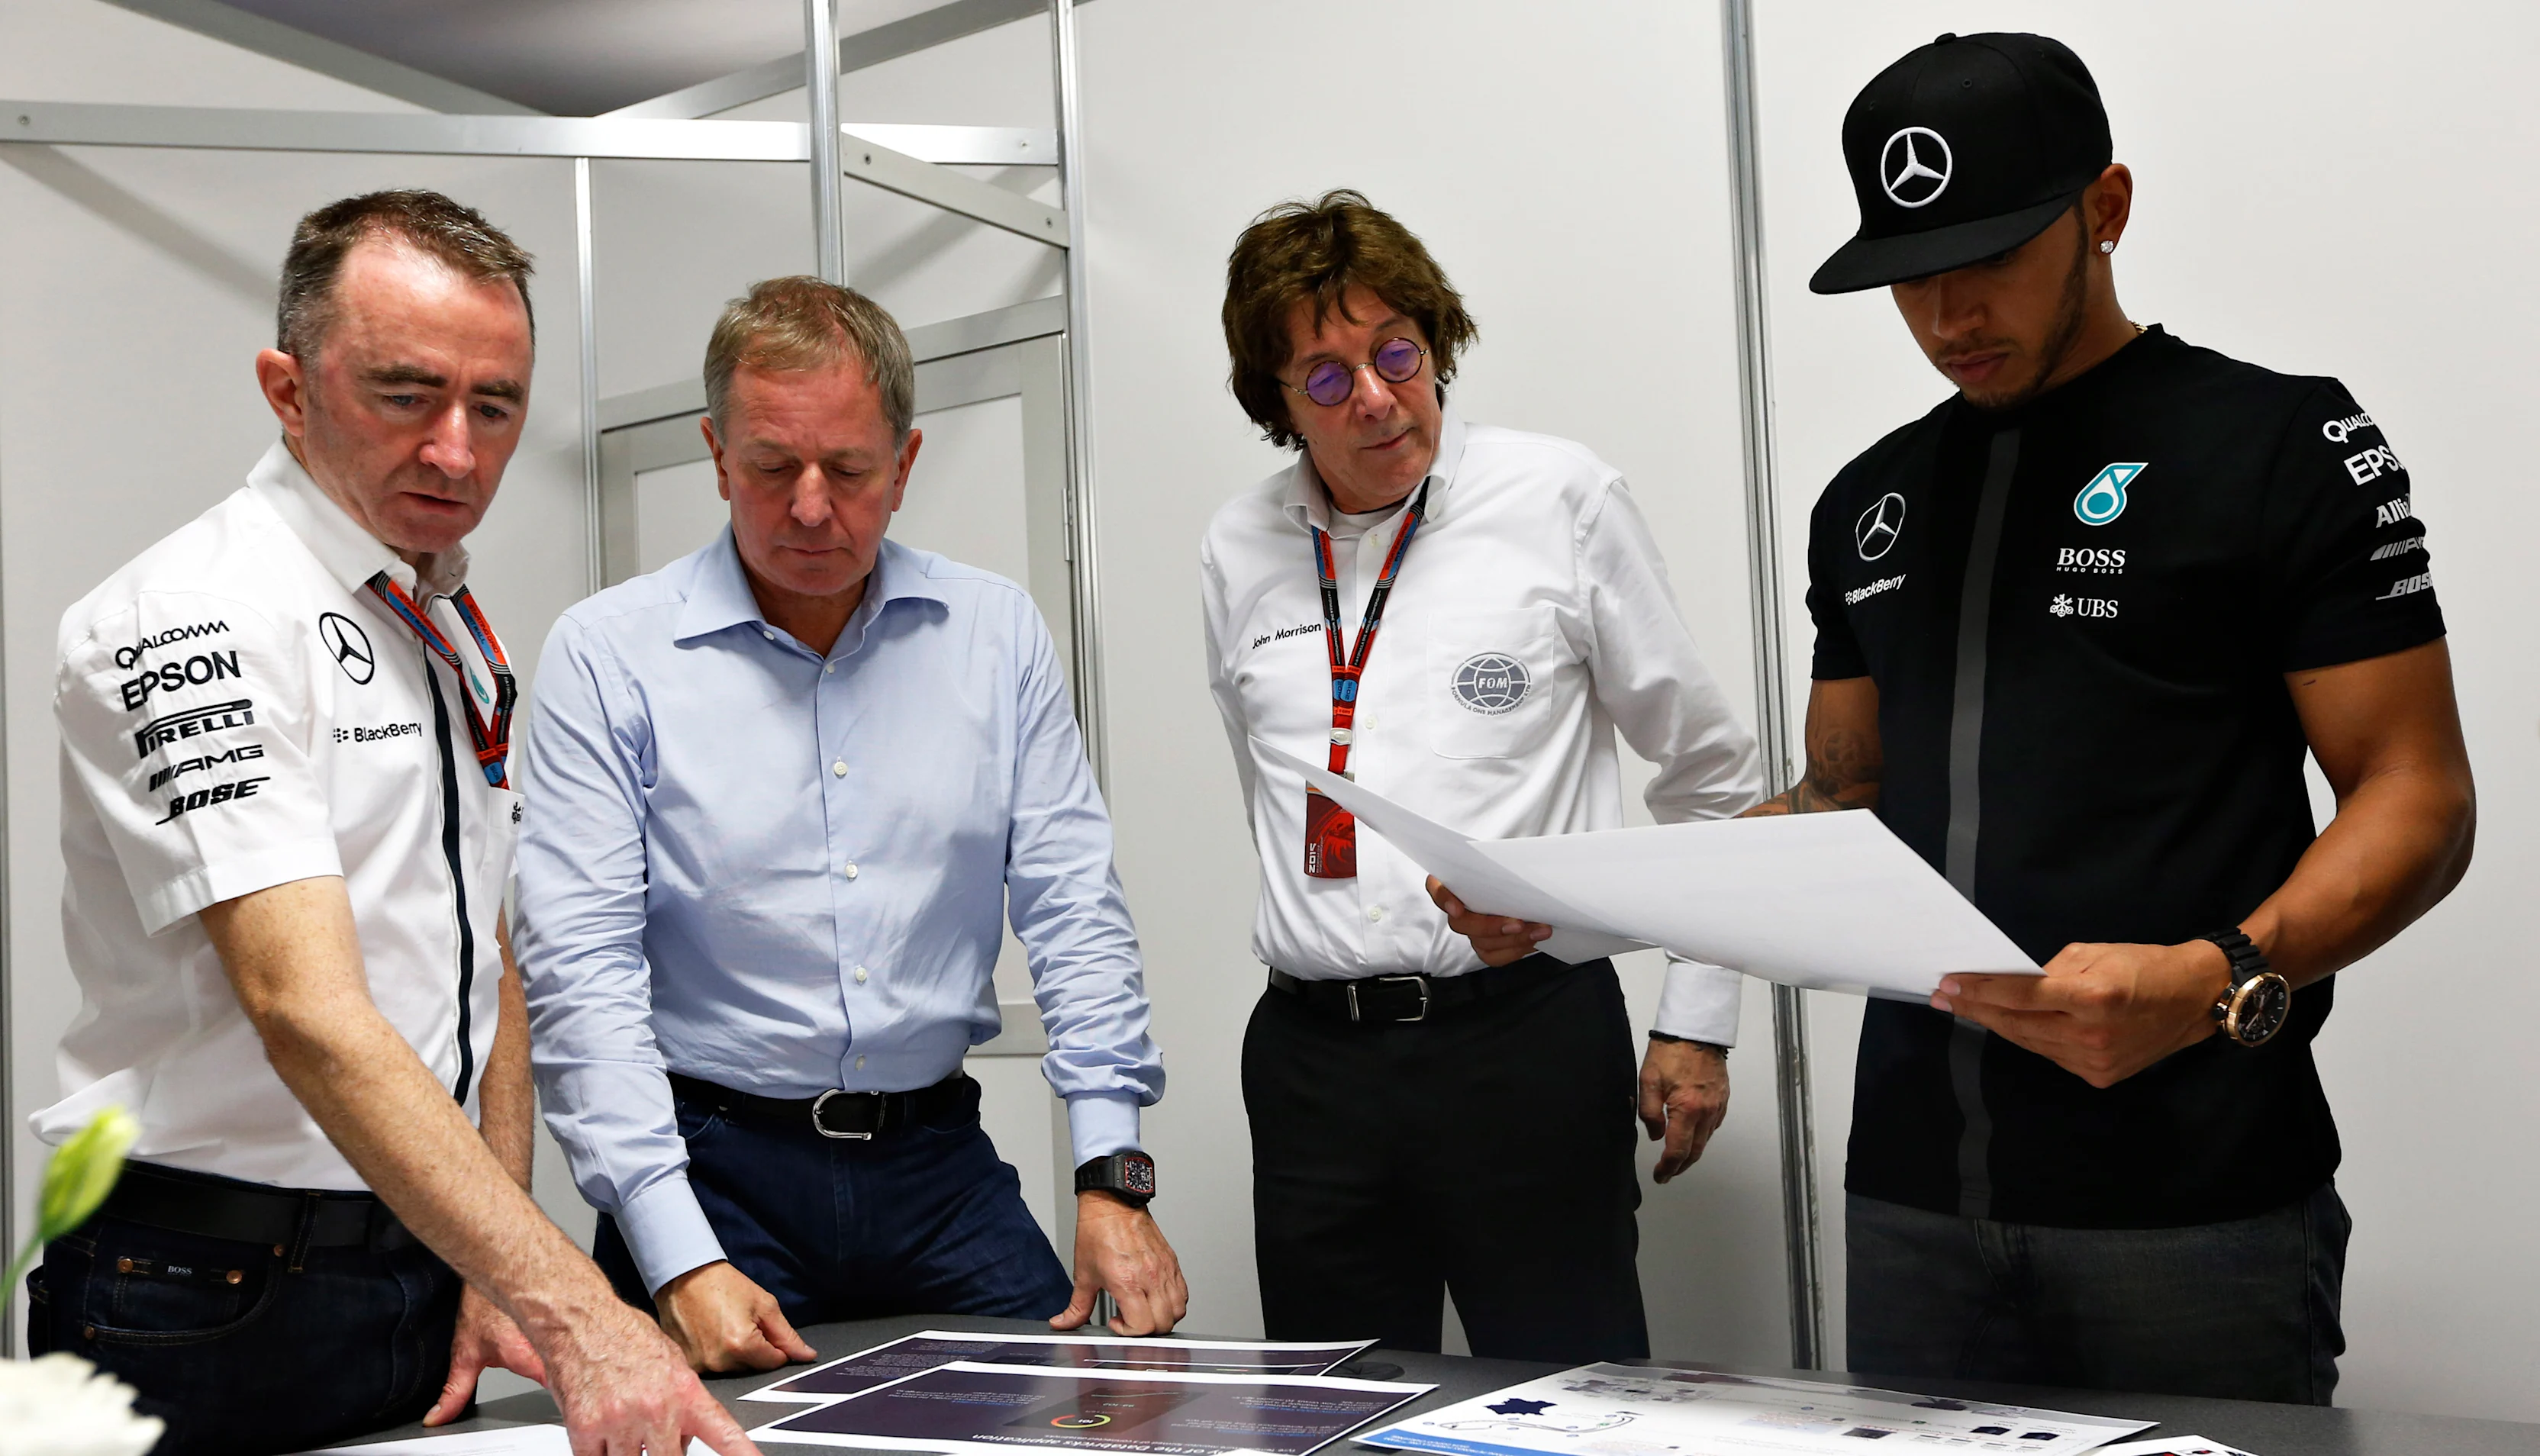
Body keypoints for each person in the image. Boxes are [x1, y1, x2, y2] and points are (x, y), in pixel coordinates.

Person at [1443, 33, 2475, 1403]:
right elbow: (1840, 803)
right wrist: (1568, 904)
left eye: (1989, 256)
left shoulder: (2280, 443)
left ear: (2105, 209)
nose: (1947, 314)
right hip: (1914, 1199)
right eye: (1910, 275)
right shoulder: (1868, 500)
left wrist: (2218, 976)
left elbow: (2418, 794)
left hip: (2194, 1195)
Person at [28, 191, 749, 1455]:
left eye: (495, 406)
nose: (457, 453)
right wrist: (579, 1308)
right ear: (288, 389)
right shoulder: (195, 617)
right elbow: (306, 1009)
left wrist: (491, 1260)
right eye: (407, 396)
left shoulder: (434, 614)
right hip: (203, 1291)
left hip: (416, 1262)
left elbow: (483, 951)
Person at [513, 276, 1185, 1374]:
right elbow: (582, 977)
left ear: (905, 465)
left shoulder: (993, 635)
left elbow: (1075, 911)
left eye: (851, 470)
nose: (812, 508)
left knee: (1079, 1414)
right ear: (716, 456)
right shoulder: (609, 656)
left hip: (937, 1168)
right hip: (712, 1170)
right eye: (773, 467)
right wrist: (676, 1257)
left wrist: (1111, 1175)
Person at [1199, 192, 1763, 1363]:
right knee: (1338, 1414)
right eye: (1326, 377)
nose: (1375, 397)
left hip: (1523, 1045)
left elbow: (1711, 772)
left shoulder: (1559, 499)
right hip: (1313, 1067)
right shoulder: (1236, 548)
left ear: (1435, 342)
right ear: (1277, 402)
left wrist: (1697, 1022)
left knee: (1572, 1403)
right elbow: (1268, 793)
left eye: (1396, 352)